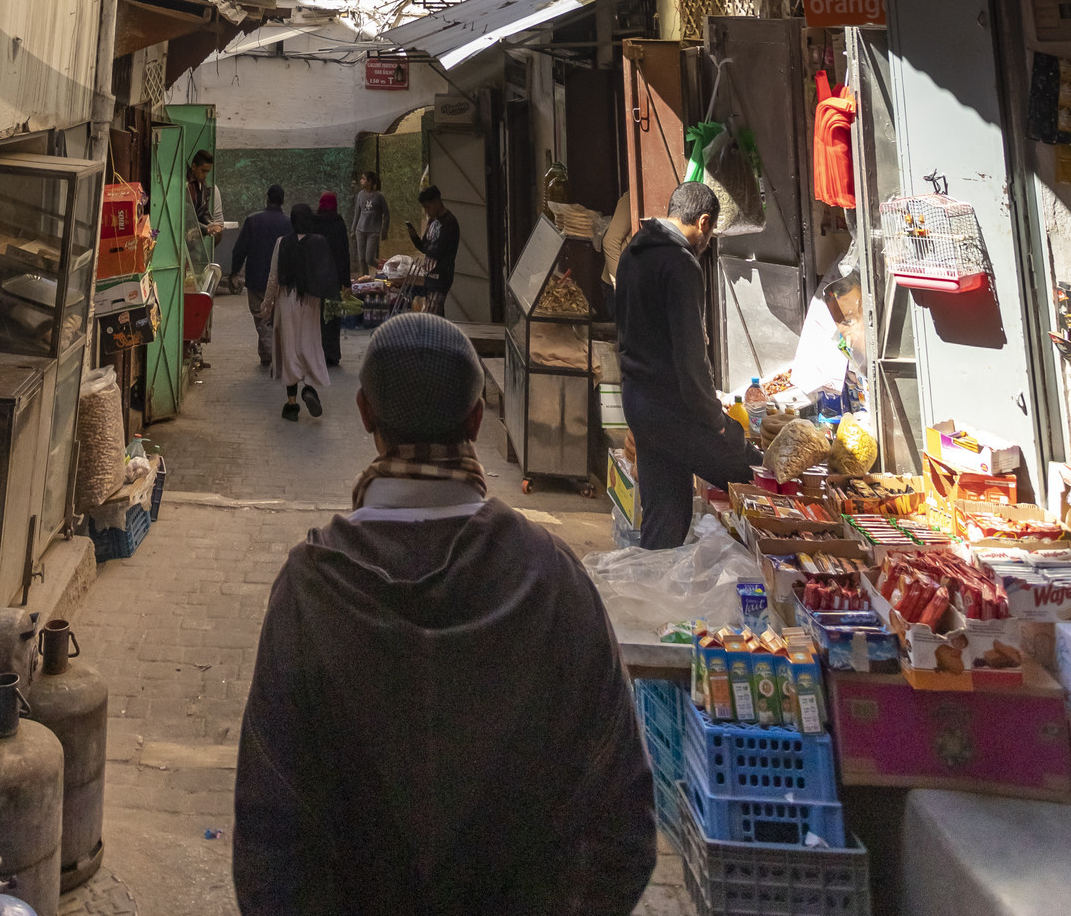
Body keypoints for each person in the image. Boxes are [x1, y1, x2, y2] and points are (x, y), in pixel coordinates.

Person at [234, 312, 657, 916]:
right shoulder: (552, 577)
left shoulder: (309, 589)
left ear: (364, 415)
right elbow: (623, 820)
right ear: (478, 418)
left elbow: (268, 839)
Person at [613, 179, 758, 549]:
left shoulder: (632, 253)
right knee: (754, 472)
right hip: (672, 409)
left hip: (639, 404)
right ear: (704, 222)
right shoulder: (681, 266)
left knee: (665, 519)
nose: (708, 243)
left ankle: (655, 598)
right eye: (710, 233)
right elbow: (691, 360)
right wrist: (718, 424)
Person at [264, 204, 337, 420]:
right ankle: (309, 387)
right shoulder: (319, 242)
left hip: (287, 299)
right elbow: (327, 273)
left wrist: (267, 303)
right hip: (311, 301)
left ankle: (291, 404)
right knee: (309, 344)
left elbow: (273, 277)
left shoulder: (281, 242)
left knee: (290, 348)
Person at [230, 185, 294, 369]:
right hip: (281, 278)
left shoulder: (252, 221)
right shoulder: (289, 223)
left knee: (261, 317)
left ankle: (270, 354)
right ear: (282, 200)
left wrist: (234, 271)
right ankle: (267, 355)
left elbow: (240, 249)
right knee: (274, 317)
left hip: (257, 277)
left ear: (267, 198)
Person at [309, 189, 352, 369]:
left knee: (316, 317)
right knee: (332, 316)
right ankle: (332, 354)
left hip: (315, 277)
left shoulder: (313, 222)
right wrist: (346, 282)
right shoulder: (338, 223)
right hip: (333, 277)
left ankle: (316, 353)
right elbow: (344, 254)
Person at [406, 185, 459, 313]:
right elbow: (424, 247)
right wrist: (414, 238)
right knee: (436, 317)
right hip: (430, 278)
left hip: (441, 277)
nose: (427, 211)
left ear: (437, 202)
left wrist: (427, 247)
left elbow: (438, 251)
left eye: (428, 207)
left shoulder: (449, 223)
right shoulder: (432, 222)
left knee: (431, 316)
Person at [351, 170, 389, 275]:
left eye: (363, 179)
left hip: (373, 231)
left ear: (370, 181)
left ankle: (386, 269)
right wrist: (353, 230)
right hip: (360, 230)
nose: (361, 181)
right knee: (361, 259)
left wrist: (385, 229)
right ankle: (365, 281)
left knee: (369, 259)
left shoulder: (379, 196)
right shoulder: (360, 195)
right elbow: (357, 213)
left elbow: (386, 214)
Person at [187, 149, 224, 245]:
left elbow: (204, 212)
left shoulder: (203, 185)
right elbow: (186, 217)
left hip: (195, 235)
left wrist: (212, 225)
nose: (205, 175)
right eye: (203, 171)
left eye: (207, 172)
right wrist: (206, 229)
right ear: (194, 167)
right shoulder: (186, 186)